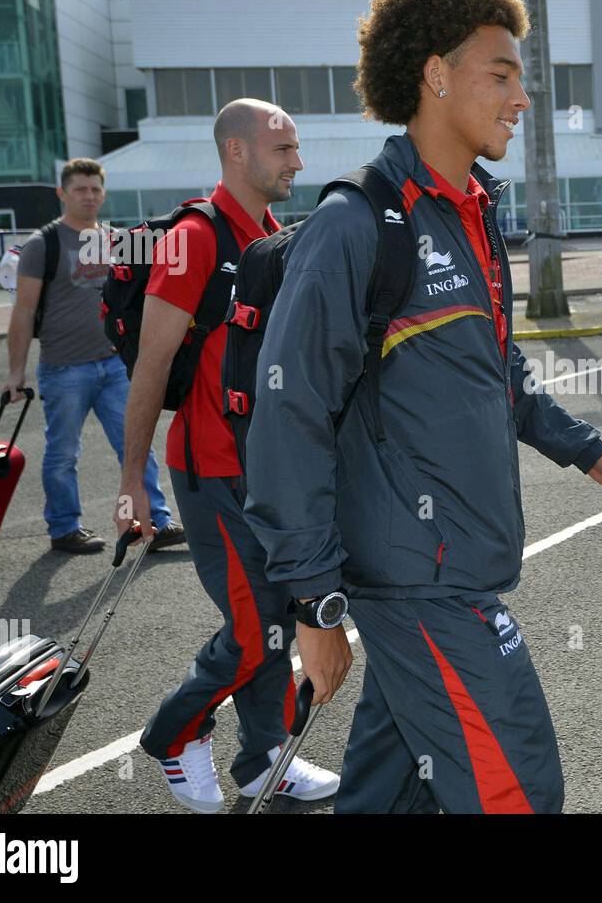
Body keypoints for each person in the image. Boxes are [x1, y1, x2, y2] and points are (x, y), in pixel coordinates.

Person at [243, 0, 602, 814]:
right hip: (419, 588)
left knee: (386, 800)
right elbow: (288, 417)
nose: (520, 98)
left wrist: (584, 451)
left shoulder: (471, 211)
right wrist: (316, 605)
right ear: (435, 74)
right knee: (519, 790)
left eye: (522, 78)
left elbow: (495, 372)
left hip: (450, 570)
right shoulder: (356, 223)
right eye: (500, 74)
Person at [113, 99, 339, 812]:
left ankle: (263, 756)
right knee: (251, 633)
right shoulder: (192, 238)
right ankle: (173, 734)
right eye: (283, 148)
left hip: (265, 470)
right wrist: (132, 484)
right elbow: (151, 366)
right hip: (210, 470)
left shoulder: (272, 232)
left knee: (275, 618)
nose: (297, 162)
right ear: (236, 152)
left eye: (297, 148)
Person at [4, 158, 182, 554]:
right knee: (63, 452)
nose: (89, 196)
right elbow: (23, 311)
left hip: (115, 365)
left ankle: (155, 522)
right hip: (64, 368)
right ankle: (65, 527)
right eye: (80, 189)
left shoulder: (118, 240)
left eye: (95, 189)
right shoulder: (42, 244)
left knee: (135, 446)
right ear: (62, 193)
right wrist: (15, 373)